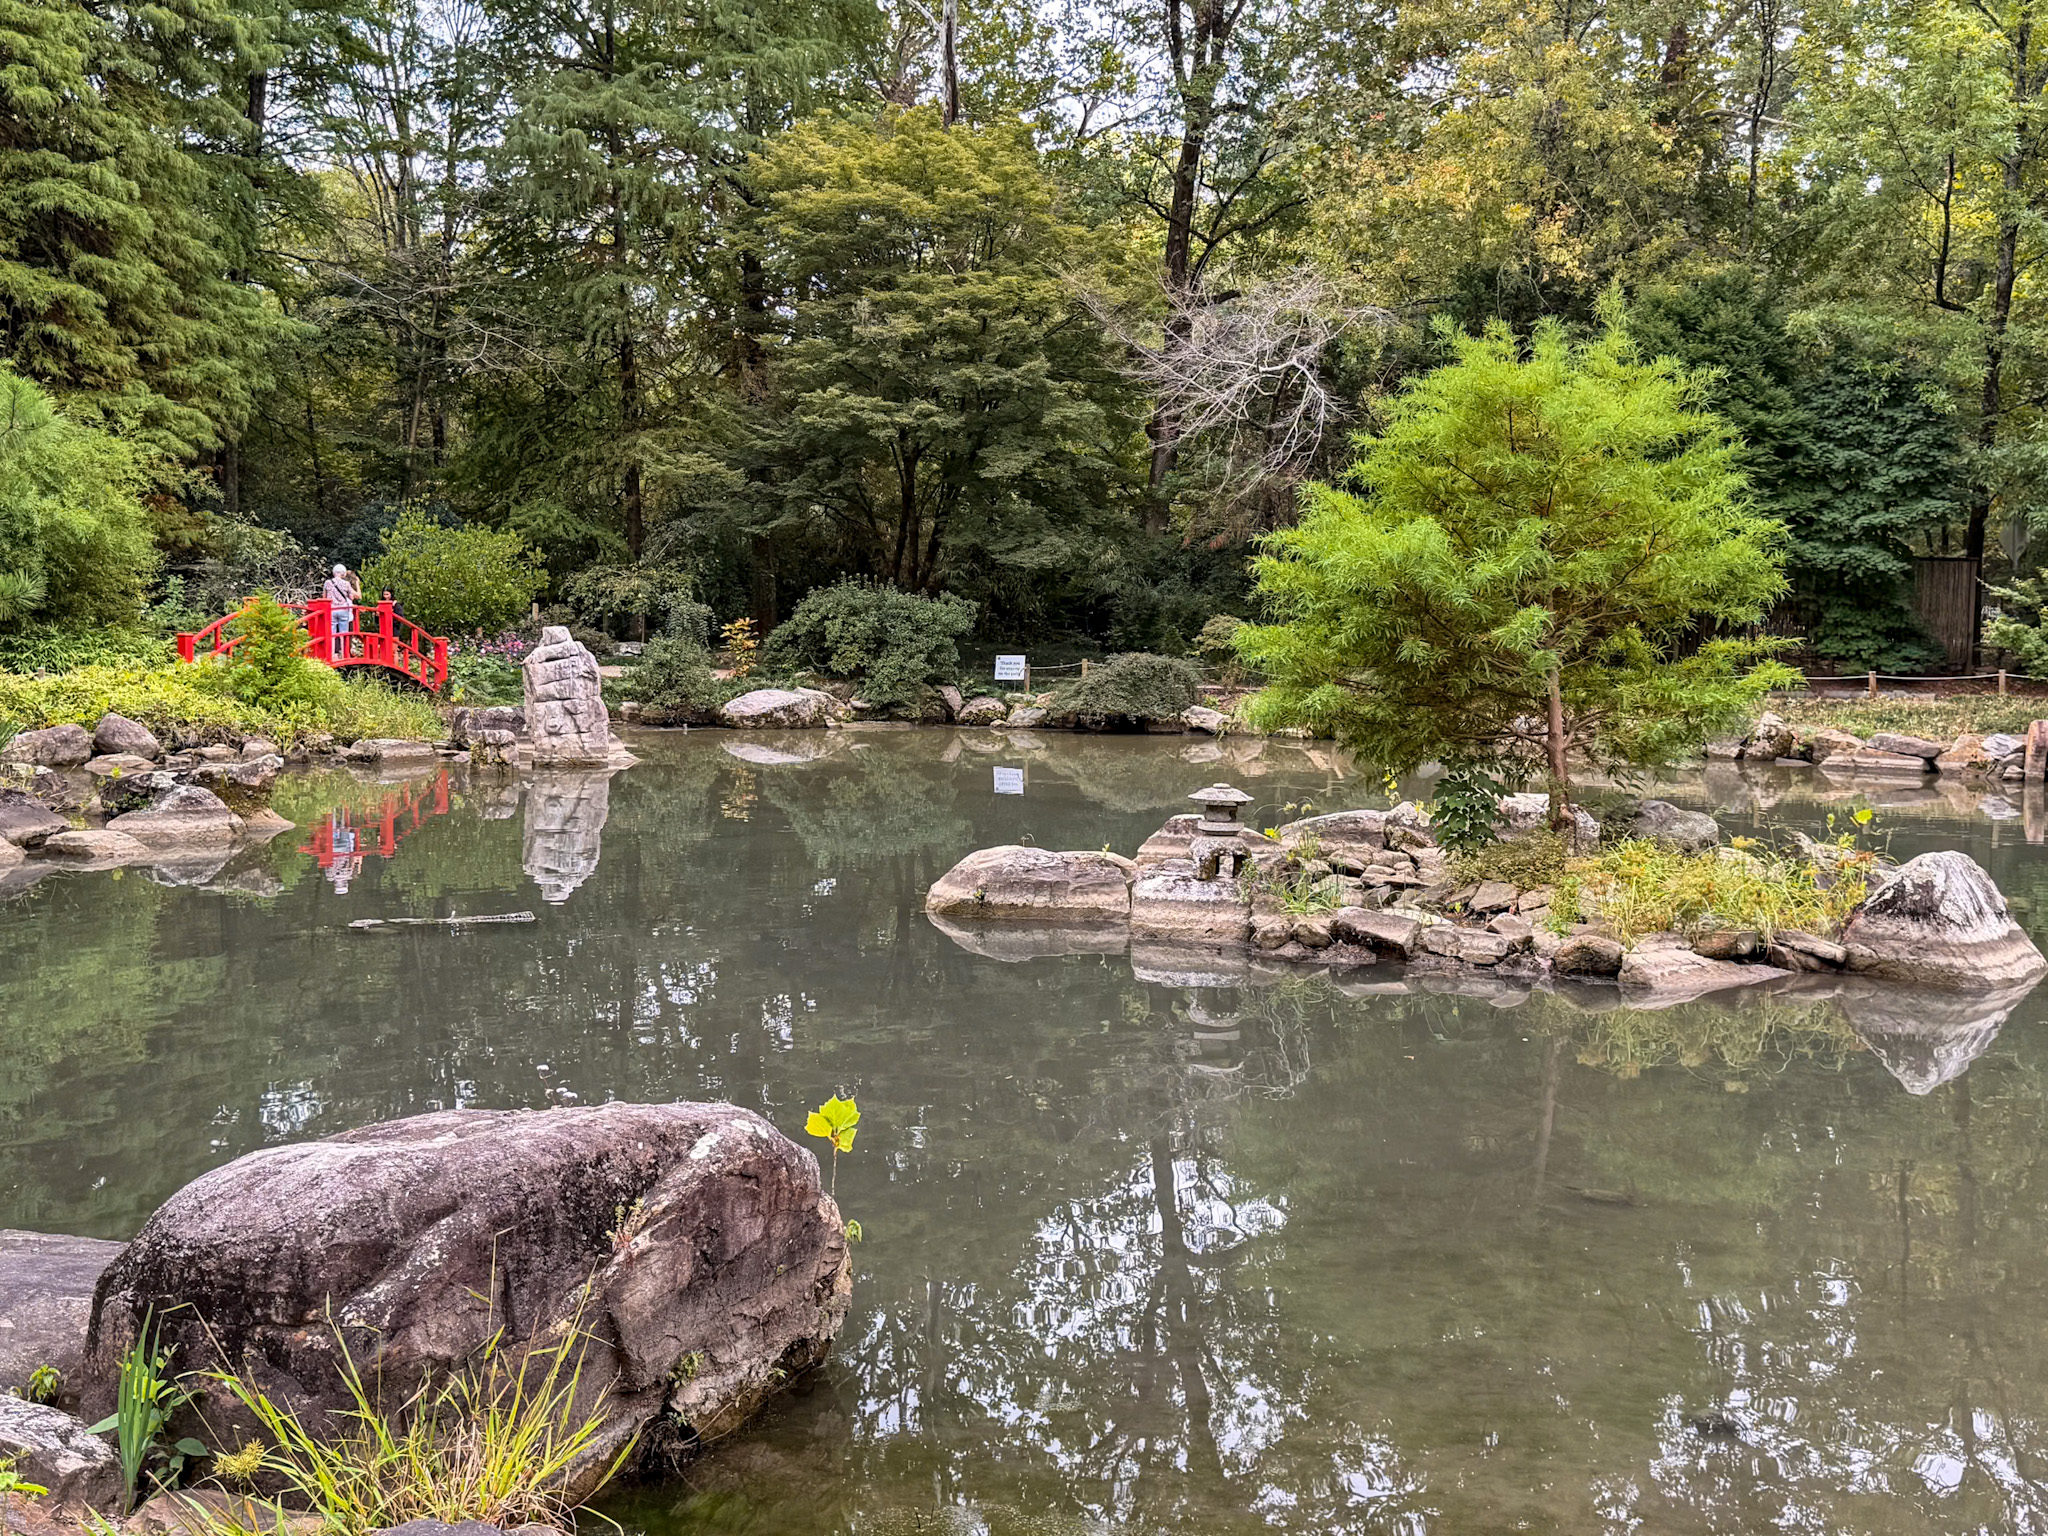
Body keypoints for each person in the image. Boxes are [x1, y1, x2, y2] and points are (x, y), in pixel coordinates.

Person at [321, 563, 357, 655]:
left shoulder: (327, 582)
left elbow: (324, 597)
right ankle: (344, 653)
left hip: (332, 609)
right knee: (343, 633)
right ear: (343, 573)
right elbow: (351, 597)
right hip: (343, 609)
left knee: (332, 633)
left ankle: (332, 653)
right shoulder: (346, 583)